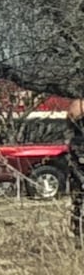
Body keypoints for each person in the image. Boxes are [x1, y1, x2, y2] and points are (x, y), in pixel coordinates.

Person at [68, 98, 84, 246]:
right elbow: (72, 116)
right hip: (80, 156)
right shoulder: (78, 104)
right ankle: (78, 234)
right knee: (79, 199)